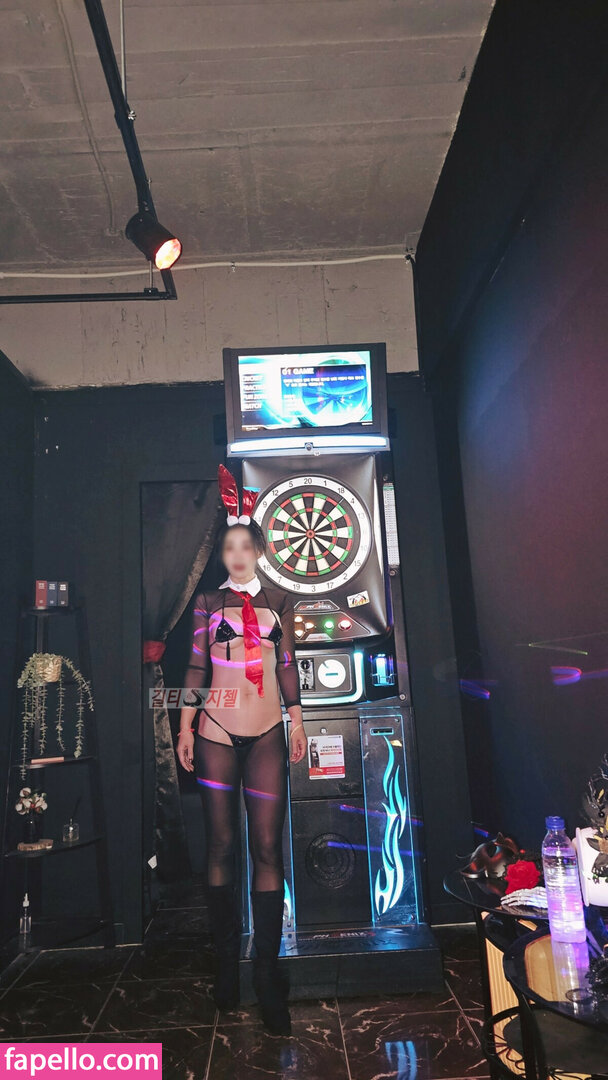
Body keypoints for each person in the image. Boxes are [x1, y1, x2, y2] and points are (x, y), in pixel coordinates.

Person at [176, 465, 307, 1037]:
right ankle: (225, 969)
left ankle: (267, 977)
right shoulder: (207, 601)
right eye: (227, 547)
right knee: (222, 845)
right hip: (215, 733)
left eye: (243, 546)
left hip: (267, 735)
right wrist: (184, 728)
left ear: (258, 551)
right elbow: (195, 668)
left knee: (268, 848)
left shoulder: (282, 600)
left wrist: (297, 721)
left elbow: (286, 665)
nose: (235, 555)